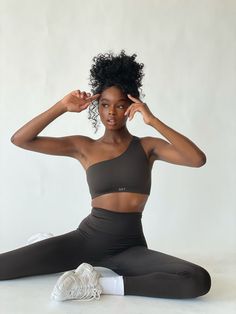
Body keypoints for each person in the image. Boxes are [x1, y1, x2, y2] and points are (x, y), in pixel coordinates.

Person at [0, 50, 211, 302]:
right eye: (105, 104)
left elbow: (197, 159)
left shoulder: (147, 147)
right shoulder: (84, 147)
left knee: (197, 280)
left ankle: (96, 283)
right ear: (96, 107)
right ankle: (51, 245)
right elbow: (20, 140)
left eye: (120, 105)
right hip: (86, 240)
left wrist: (153, 120)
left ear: (131, 106)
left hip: (130, 248)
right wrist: (61, 107)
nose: (112, 112)